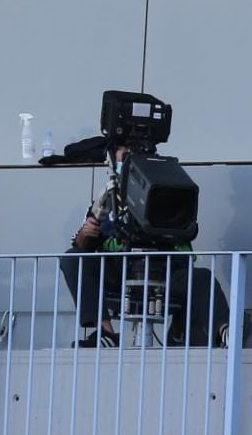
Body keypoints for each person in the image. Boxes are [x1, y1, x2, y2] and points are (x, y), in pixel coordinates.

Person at [59, 146, 227, 349]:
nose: (129, 158)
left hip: (165, 275)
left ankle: (226, 332)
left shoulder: (166, 192)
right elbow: (83, 247)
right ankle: (106, 333)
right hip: (119, 274)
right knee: (72, 258)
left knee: (203, 278)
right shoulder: (108, 199)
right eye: (124, 153)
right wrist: (86, 233)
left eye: (134, 152)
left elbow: (188, 230)